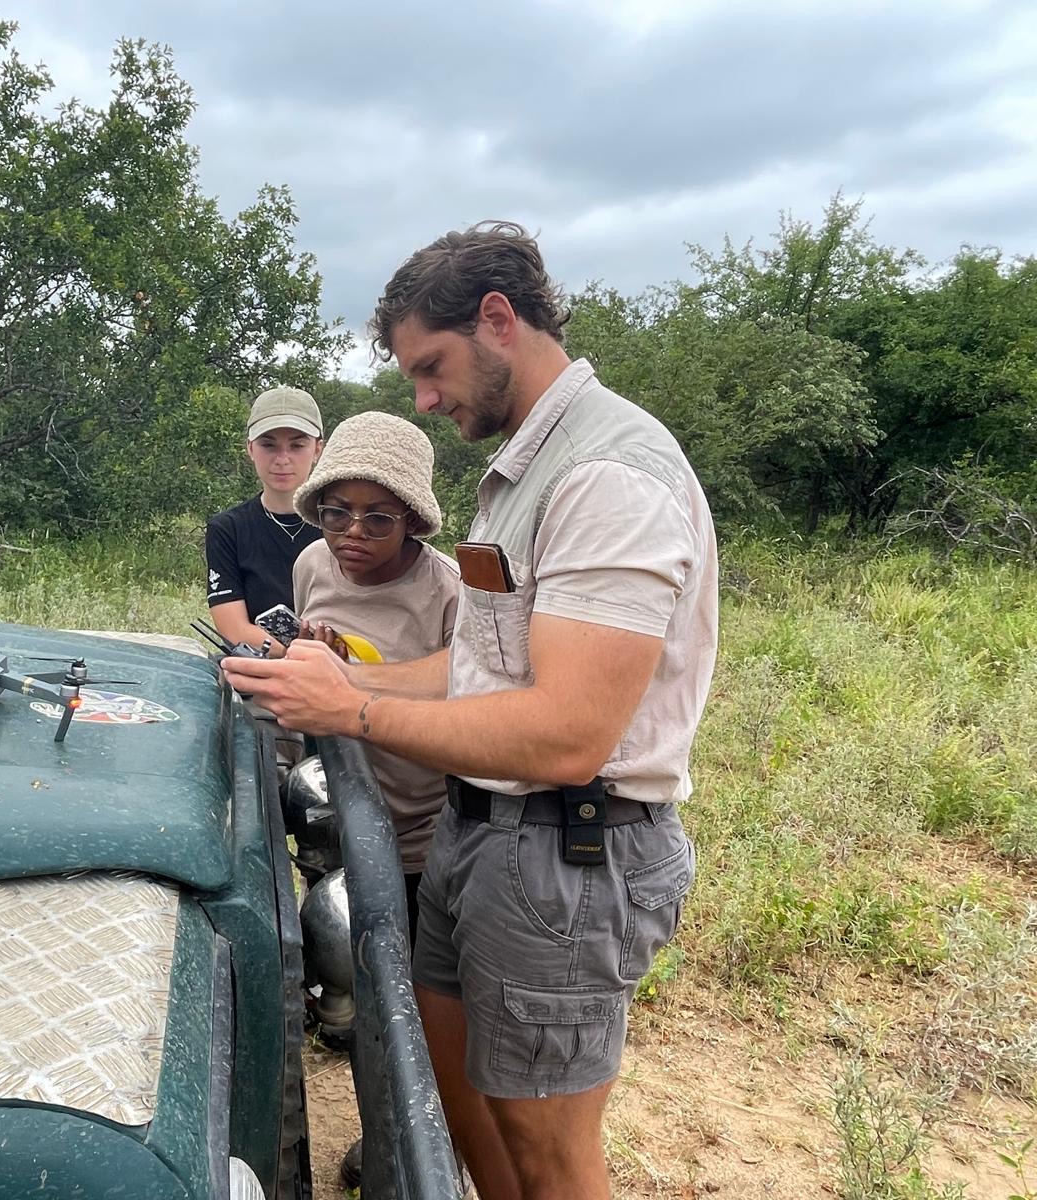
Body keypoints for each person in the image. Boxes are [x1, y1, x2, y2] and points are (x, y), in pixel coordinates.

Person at [223, 221, 718, 1200]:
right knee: (460, 1114)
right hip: (479, 833)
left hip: (568, 854)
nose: (424, 397)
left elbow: (566, 734)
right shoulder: (522, 472)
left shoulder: (607, 476)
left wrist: (354, 716)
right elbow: (480, 669)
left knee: (547, 1157)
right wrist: (336, 682)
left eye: (430, 367)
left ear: (498, 320)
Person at [290, 410, 459, 928]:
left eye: (379, 518)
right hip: (329, 810)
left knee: (398, 963)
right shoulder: (312, 564)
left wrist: (352, 681)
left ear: (411, 518)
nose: (352, 532)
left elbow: (466, 701)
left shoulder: (447, 591)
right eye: (336, 513)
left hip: (416, 832)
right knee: (330, 944)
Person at [204, 386, 324, 657]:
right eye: (268, 445)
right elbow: (234, 630)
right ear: (250, 449)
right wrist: (306, 656)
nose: (282, 459)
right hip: (262, 675)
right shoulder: (227, 529)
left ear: (318, 449)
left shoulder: (342, 524)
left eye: (297, 445)